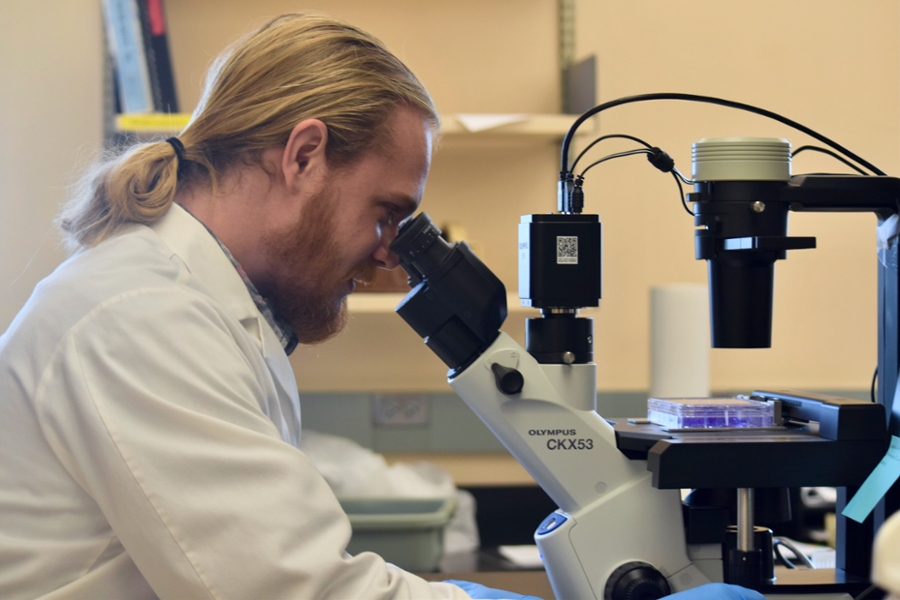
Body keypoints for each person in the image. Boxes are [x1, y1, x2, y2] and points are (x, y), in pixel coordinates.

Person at [0, 11, 762, 600]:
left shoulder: (208, 307)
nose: (393, 254)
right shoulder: (139, 315)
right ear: (303, 155)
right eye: (386, 212)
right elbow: (304, 592)